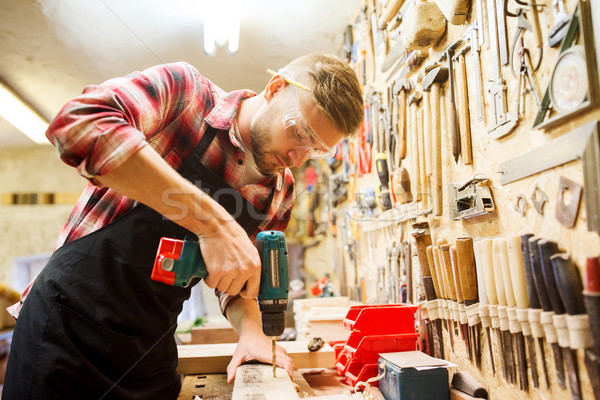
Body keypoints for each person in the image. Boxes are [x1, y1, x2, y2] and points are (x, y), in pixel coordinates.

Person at [2, 52, 364, 399]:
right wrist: (212, 222)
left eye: (316, 151)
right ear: (274, 89)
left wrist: (252, 332)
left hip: (150, 349)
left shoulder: (279, 192)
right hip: (64, 332)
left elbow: (236, 280)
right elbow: (80, 123)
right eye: (299, 131)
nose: (297, 158)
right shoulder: (187, 96)